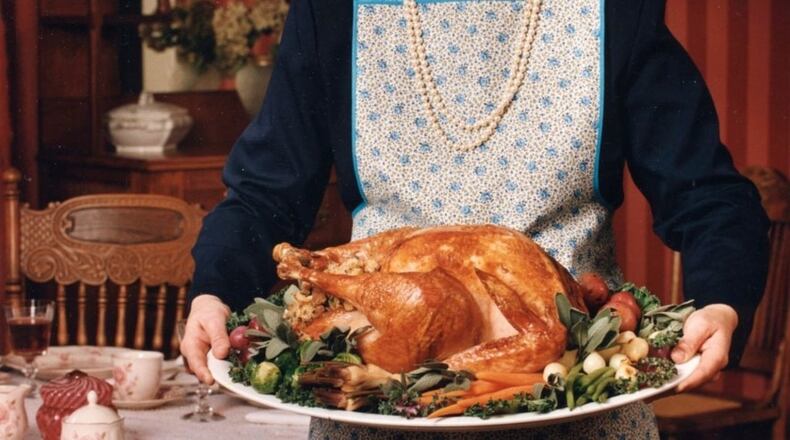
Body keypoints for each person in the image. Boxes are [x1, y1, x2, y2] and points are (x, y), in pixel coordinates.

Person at [180, 0, 770, 438]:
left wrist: (722, 301)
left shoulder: (612, 12)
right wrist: (214, 291)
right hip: (375, 409)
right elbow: (262, 195)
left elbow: (709, 197)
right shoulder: (333, 12)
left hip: (573, 401)